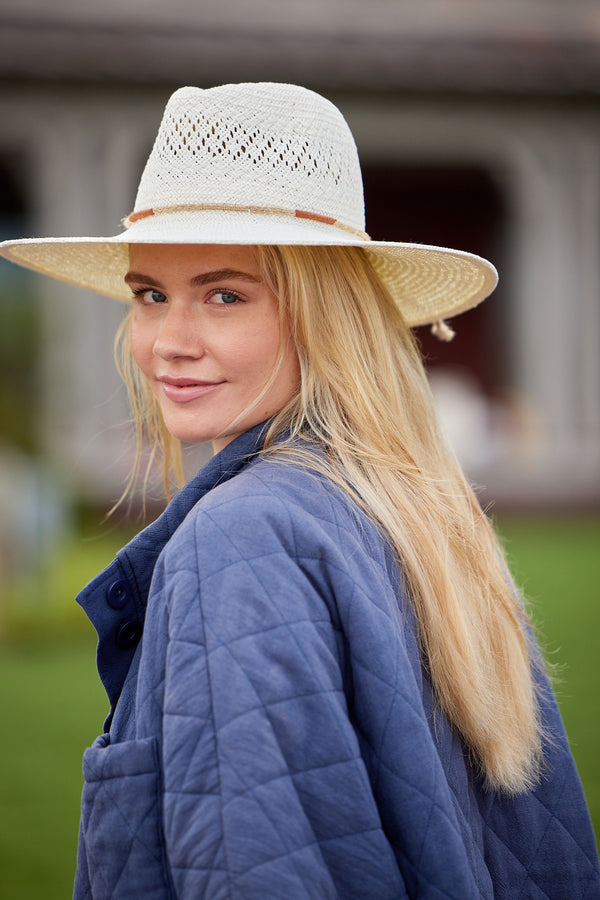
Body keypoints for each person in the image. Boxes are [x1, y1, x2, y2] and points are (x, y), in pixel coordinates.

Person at [1, 83, 598, 900]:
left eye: (225, 294)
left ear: (326, 316)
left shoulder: (241, 538)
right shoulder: (415, 507)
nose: (168, 342)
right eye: (150, 295)